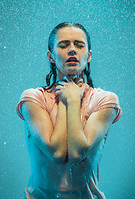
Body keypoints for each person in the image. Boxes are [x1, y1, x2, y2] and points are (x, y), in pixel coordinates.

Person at [16, 22, 122, 199]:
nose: (72, 50)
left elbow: (77, 153)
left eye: (79, 45)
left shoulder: (105, 100)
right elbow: (56, 153)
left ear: (89, 56)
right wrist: (67, 100)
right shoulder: (34, 98)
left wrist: (73, 100)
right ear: (50, 56)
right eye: (64, 45)